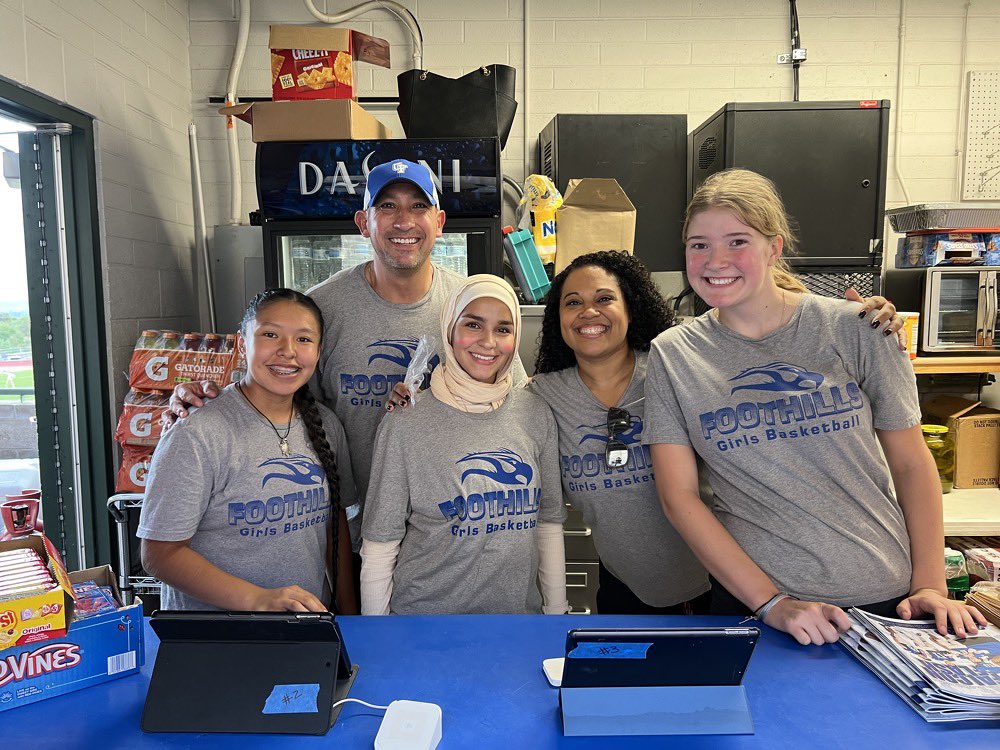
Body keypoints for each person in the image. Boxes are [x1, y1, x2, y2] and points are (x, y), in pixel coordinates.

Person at [643, 168, 987, 645]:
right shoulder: (674, 354)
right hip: (758, 607)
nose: (715, 260)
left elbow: (910, 463)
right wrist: (771, 604)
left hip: (887, 597)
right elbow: (678, 497)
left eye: (737, 241)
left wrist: (929, 583)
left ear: (774, 247)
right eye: (699, 245)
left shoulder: (858, 327)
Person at [167, 159, 524, 560]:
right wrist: (200, 399)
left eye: (418, 207)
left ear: (439, 221)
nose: (403, 222)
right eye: (387, 207)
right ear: (362, 223)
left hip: (456, 532)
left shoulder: (471, 305)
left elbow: (514, 404)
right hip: (348, 534)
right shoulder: (321, 308)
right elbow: (262, 393)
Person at [526, 251, 907, 615]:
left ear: (631, 308)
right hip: (626, 588)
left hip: (730, 583)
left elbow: (764, 345)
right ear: (557, 318)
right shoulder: (543, 396)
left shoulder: (682, 368)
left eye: (604, 298)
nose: (588, 311)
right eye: (572, 302)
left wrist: (851, 321)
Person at [139, 289, 357, 613]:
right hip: (214, 640)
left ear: (319, 351)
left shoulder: (326, 426)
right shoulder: (197, 433)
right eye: (270, 335)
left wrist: (350, 618)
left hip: (304, 631)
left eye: (304, 340)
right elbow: (159, 554)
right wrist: (258, 600)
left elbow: (333, 526)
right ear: (243, 343)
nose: (288, 352)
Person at [360, 275, 568, 615]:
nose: (488, 342)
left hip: (517, 624)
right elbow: (381, 544)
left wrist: (557, 615)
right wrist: (378, 636)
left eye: (503, 329)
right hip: (424, 627)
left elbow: (548, 522)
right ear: (449, 332)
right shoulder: (404, 422)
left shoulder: (534, 413)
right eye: (473, 325)